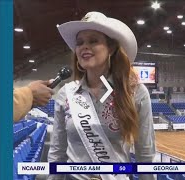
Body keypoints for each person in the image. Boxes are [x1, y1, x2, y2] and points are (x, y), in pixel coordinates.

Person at [48, 12, 156, 180]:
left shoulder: (136, 93)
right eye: (80, 42)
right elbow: (57, 153)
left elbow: (145, 155)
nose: (84, 46)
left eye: (93, 41)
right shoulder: (66, 94)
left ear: (111, 48)